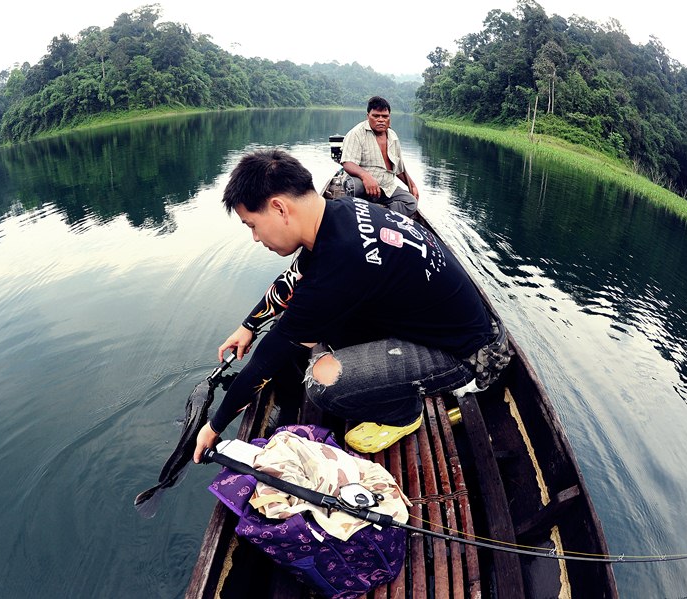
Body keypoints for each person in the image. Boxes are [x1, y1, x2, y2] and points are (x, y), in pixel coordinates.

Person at [193, 149, 509, 463]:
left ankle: (403, 414)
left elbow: (265, 361)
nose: (255, 238)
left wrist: (213, 426)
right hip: (460, 328)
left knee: (321, 384)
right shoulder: (340, 212)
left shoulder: (341, 260)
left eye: (252, 224)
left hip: (471, 358)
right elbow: (294, 277)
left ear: (279, 208)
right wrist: (248, 326)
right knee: (312, 326)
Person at [340, 96, 420, 218]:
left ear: (389, 117)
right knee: (354, 186)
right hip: (364, 185)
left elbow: (399, 168)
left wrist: (412, 185)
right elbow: (347, 163)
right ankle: (360, 210)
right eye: (376, 116)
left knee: (411, 203)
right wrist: (366, 176)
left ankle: (379, 215)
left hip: (386, 187)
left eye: (385, 116)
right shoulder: (356, 133)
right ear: (368, 116)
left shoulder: (393, 136)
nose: (381, 120)